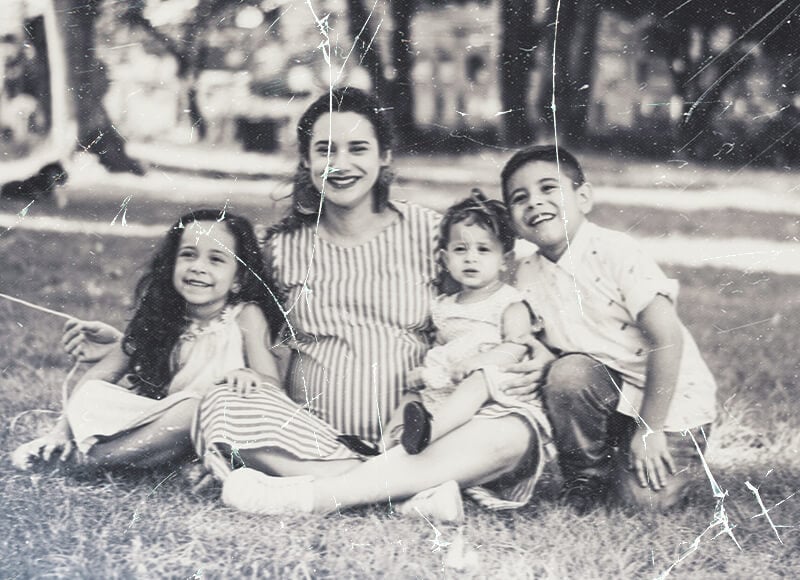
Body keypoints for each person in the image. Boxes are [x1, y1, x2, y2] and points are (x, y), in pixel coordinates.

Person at [57, 89, 546, 522]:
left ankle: (322, 495)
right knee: (224, 399)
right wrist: (127, 342)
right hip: (310, 439)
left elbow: (511, 278)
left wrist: (538, 350)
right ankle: (393, 491)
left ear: (384, 157)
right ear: (307, 162)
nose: (341, 162)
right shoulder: (280, 247)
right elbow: (212, 310)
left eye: (358, 148)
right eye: (324, 149)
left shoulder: (432, 232)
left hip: (422, 430)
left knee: (513, 434)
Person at [502, 145, 718, 513]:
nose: (535, 203)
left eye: (548, 188)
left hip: (668, 401)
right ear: (511, 220)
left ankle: (642, 456)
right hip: (606, 394)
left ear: (583, 197)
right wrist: (541, 358)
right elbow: (549, 343)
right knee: (567, 373)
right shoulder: (527, 272)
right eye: (520, 198)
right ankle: (585, 475)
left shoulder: (616, 251)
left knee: (641, 504)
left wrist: (650, 431)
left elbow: (667, 338)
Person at [12, 209, 284, 471]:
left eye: (216, 259)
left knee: (196, 407)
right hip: (162, 427)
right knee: (95, 393)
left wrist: (248, 374)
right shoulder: (159, 314)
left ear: (239, 279)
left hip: (214, 426)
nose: (198, 267)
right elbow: (99, 375)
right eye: (188, 254)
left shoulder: (246, 315)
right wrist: (60, 431)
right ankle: (67, 447)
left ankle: (91, 460)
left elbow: (272, 384)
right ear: (171, 264)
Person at [398, 192, 554, 456]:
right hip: (449, 384)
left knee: (479, 380)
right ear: (446, 259)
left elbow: (516, 348)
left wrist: (477, 363)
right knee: (411, 396)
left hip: (491, 387)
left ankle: (430, 433)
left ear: (504, 260)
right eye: (461, 249)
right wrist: (426, 371)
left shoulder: (510, 302)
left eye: (483, 249)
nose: (471, 258)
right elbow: (441, 345)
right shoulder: (445, 305)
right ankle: (386, 445)